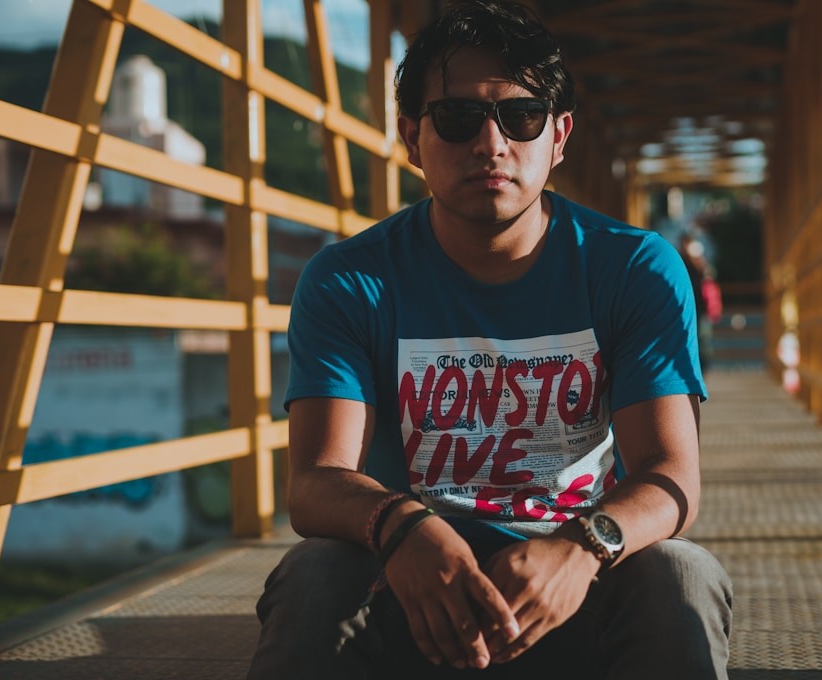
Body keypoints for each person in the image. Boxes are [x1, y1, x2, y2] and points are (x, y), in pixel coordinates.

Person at [247, 2, 732, 678]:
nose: (492, 143)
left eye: (522, 116)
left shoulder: (633, 268)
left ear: (558, 137)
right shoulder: (350, 281)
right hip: (413, 585)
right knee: (316, 574)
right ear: (411, 137)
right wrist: (401, 527)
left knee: (680, 574)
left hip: (573, 587)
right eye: (458, 117)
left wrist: (584, 546)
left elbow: (672, 475)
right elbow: (315, 482)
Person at [679, 233, 721, 373]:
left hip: (701, 310)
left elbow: (710, 279)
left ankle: (701, 372)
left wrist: (701, 263)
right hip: (686, 310)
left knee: (703, 344)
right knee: (690, 343)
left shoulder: (701, 265)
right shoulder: (680, 262)